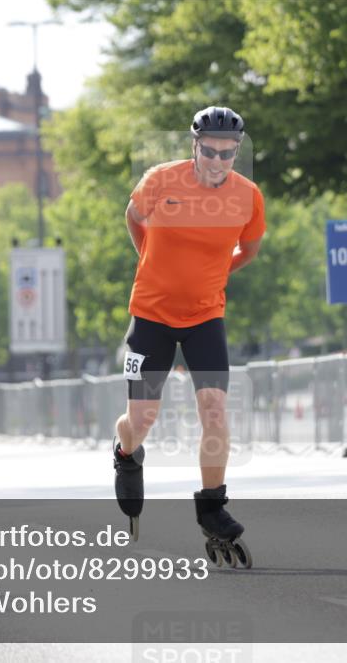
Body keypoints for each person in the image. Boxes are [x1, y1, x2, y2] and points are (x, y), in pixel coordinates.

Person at [112, 105, 263, 566]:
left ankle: (213, 508)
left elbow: (250, 247)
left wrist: (216, 276)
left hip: (204, 318)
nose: (218, 162)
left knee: (214, 409)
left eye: (228, 154)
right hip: (151, 315)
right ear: (194, 146)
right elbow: (133, 217)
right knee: (141, 420)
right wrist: (149, 262)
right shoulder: (161, 180)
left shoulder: (247, 196)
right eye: (210, 152)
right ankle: (124, 453)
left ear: (236, 152)